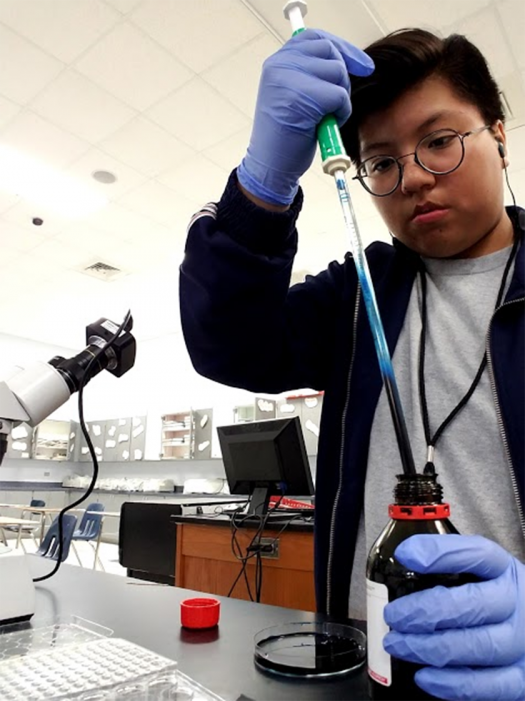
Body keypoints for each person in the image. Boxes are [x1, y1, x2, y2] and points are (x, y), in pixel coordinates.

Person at [179, 26, 525, 701]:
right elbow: (227, 342)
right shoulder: (361, 292)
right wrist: (261, 189)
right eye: (382, 162)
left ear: (498, 132)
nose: (414, 177)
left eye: (439, 140)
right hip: (366, 670)